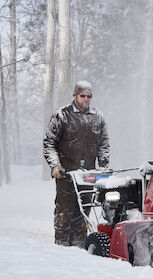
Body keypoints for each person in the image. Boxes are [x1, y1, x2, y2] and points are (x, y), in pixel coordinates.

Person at [43, 81, 110, 247]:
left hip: (87, 175)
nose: (86, 99)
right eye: (83, 96)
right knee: (64, 212)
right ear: (75, 96)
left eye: (89, 96)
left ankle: (79, 249)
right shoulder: (62, 115)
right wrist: (55, 166)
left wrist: (103, 160)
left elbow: (104, 143)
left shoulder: (98, 117)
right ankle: (61, 247)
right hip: (66, 173)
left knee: (83, 212)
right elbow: (49, 143)